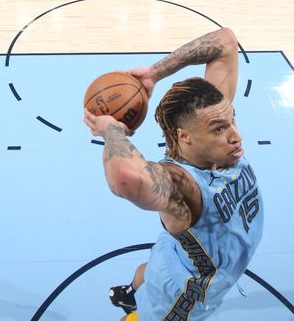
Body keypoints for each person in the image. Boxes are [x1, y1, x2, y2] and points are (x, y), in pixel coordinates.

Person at [83, 27, 263, 321]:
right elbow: (125, 179)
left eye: (231, 121)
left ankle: (131, 294)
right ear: (186, 137)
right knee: (154, 278)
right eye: (220, 128)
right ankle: (135, 308)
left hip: (178, 252)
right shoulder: (185, 187)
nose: (237, 135)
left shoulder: (215, 141)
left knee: (152, 266)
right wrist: (111, 131)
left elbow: (225, 42)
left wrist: (154, 73)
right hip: (178, 299)